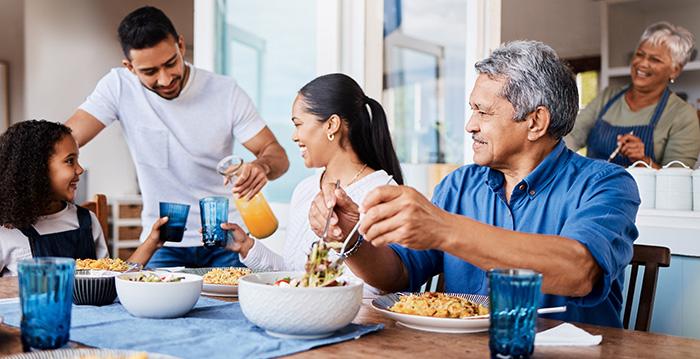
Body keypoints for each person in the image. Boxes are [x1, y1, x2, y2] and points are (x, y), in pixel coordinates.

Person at [310, 41, 641, 328]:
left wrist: (443, 228)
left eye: (483, 112)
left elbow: (578, 271)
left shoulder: (607, 184)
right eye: (472, 110)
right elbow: (398, 274)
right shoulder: (460, 185)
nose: (470, 125)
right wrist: (352, 239)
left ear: (535, 122)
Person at [65, 6, 289, 268]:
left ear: (181, 46)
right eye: (150, 72)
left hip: (226, 239)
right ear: (130, 68)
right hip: (163, 242)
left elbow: (278, 155)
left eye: (171, 63)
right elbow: (65, 140)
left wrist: (262, 166)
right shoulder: (118, 87)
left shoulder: (225, 92)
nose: (165, 78)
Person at [221, 73, 403, 296]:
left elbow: (384, 286)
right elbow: (296, 277)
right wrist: (247, 247)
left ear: (331, 125)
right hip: (303, 318)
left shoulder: (384, 193)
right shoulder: (305, 189)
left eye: (298, 125)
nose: (294, 136)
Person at [0, 120, 166, 276]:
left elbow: (112, 278)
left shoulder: (87, 220)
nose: (80, 169)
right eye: (70, 161)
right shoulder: (6, 231)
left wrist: (152, 241)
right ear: (37, 170)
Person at [566, 21, 700, 168]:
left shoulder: (683, 116)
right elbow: (572, 136)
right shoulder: (608, 97)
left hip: (640, 192)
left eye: (655, 59)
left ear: (675, 70)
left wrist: (643, 159)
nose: (642, 64)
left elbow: (678, 183)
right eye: (640, 54)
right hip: (595, 189)